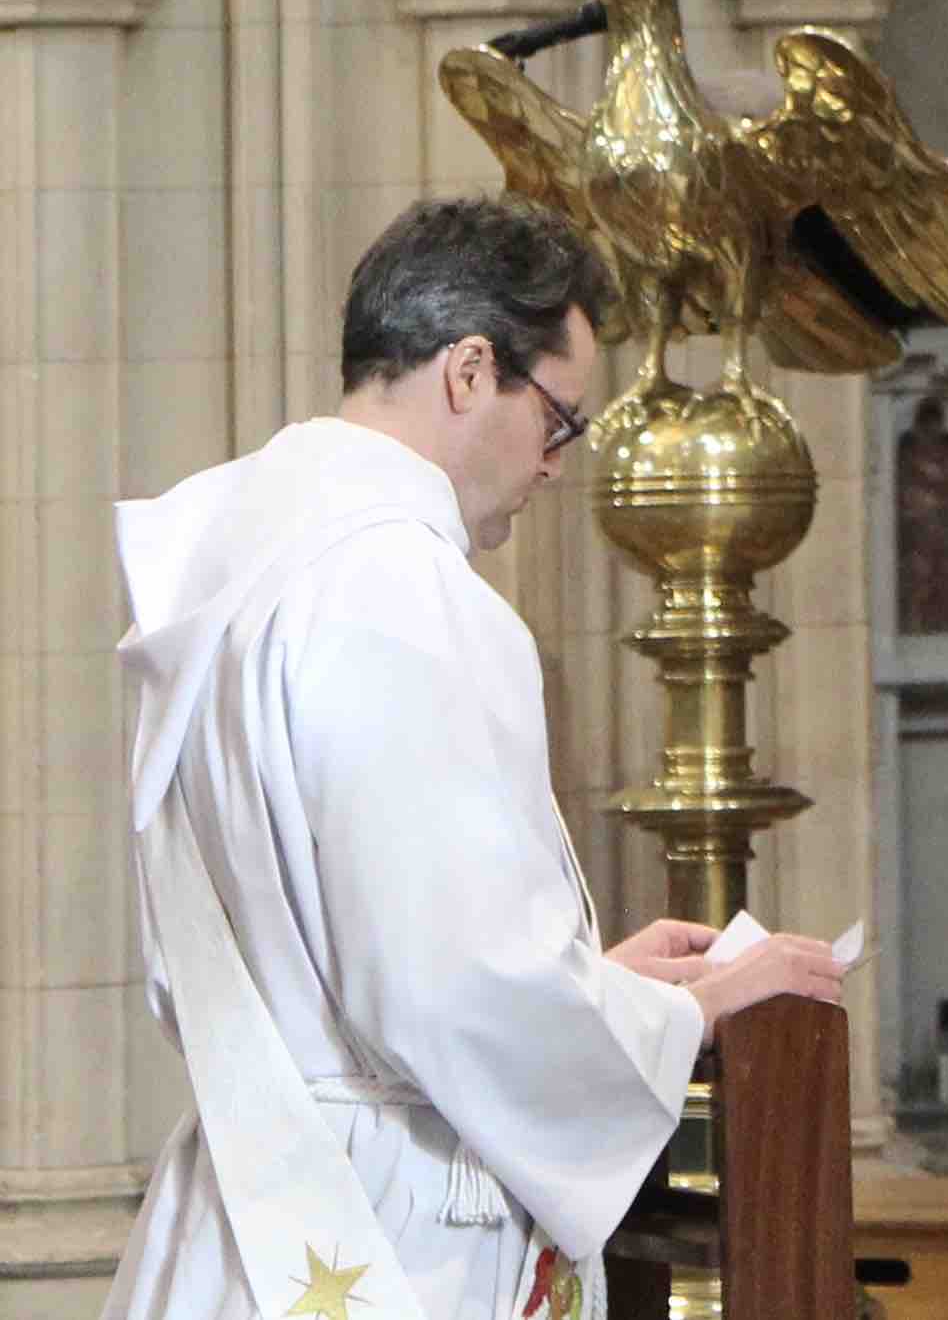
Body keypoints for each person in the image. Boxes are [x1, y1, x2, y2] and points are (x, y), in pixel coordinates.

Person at [106, 197, 846, 1320]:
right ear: (467, 372)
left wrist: (591, 985)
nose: (557, 465)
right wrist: (686, 1014)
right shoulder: (403, 593)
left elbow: (356, 945)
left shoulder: (232, 558)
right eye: (559, 419)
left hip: (246, 1203)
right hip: (391, 1223)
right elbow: (452, 991)